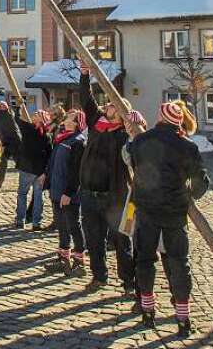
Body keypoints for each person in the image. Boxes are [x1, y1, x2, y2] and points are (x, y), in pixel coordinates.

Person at [125, 100, 209, 335]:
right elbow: (201, 181)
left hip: (146, 209)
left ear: (160, 117)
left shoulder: (141, 140)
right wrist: (188, 195)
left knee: (144, 259)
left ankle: (148, 310)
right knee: (179, 262)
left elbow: (132, 163)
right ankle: (183, 318)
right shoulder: (187, 146)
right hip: (174, 211)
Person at [77, 63, 134, 293]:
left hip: (116, 197)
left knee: (122, 241)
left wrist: (133, 130)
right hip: (90, 194)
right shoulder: (96, 123)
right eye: (109, 102)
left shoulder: (123, 136)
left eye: (114, 104)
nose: (109, 104)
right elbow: (86, 98)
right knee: (94, 239)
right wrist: (84, 75)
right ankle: (99, 275)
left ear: (121, 113)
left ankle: (129, 281)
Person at [43, 108, 87, 277]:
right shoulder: (64, 138)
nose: (67, 117)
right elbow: (54, 163)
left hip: (68, 194)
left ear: (76, 123)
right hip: (57, 190)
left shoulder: (77, 142)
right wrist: (47, 179)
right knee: (62, 226)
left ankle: (79, 261)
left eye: (71, 117)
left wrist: (68, 193)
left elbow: (76, 171)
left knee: (73, 225)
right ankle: (63, 260)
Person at [14, 112, 51, 230]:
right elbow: (49, 156)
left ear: (40, 120)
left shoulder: (29, 128)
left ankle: (20, 220)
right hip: (39, 172)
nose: (34, 114)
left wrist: (18, 106)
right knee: (38, 196)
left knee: (22, 194)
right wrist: (45, 172)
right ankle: (36, 223)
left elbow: (16, 118)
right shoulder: (47, 135)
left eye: (37, 114)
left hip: (27, 169)